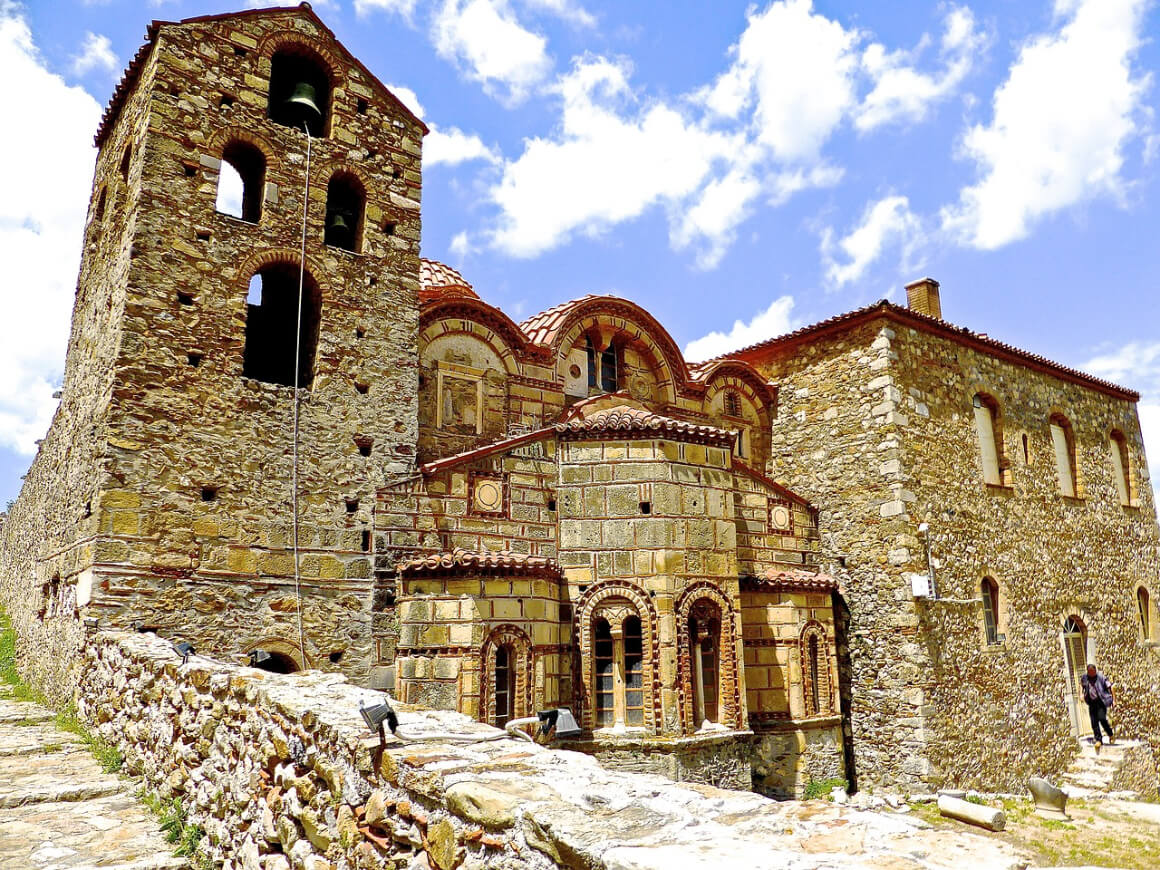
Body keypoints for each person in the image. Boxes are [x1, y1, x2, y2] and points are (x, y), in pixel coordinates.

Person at [1080, 663, 1114, 746]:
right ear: (1088, 672)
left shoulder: (1101, 677)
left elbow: (1111, 687)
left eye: (1093, 672)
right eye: (1090, 672)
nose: (1091, 674)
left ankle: (1110, 734)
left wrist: (1113, 700)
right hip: (1091, 702)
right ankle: (1099, 739)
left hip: (1101, 701)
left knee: (1102, 719)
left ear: (1095, 670)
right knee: (1094, 721)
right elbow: (1081, 685)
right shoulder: (1085, 677)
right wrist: (1081, 694)